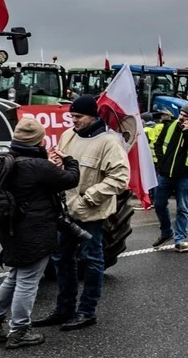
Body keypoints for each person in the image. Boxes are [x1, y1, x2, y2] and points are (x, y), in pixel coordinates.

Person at [33, 94, 130, 331]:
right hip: (65, 211)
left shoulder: (110, 142)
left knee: (92, 259)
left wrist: (90, 197)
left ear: (92, 116)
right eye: (71, 116)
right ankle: (64, 309)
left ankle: (87, 311)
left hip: (90, 214)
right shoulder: (68, 136)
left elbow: (119, 178)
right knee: (61, 259)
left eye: (78, 117)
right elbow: (62, 166)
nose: (73, 121)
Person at [0, 118, 80, 349]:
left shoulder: (7, 160)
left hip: (10, 228)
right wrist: (69, 160)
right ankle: (19, 330)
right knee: (27, 281)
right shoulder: (37, 165)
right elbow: (70, 179)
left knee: (16, 276)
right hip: (34, 230)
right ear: (40, 140)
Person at [151, 102, 188, 253]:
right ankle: (166, 232)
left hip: (185, 175)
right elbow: (158, 144)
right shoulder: (170, 125)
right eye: (181, 114)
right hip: (165, 173)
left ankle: (180, 239)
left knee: (182, 208)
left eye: (185, 116)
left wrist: (187, 132)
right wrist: (162, 163)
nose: (181, 118)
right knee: (159, 204)